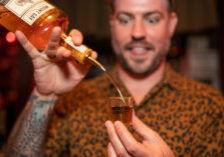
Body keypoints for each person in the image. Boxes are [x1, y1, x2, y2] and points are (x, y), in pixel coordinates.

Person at [6, 0, 224, 156]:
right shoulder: (74, 101)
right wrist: (45, 95)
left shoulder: (212, 107)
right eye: (125, 19)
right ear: (112, 23)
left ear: (172, 24)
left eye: (152, 19)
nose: (138, 32)